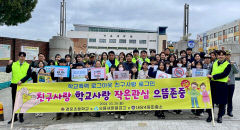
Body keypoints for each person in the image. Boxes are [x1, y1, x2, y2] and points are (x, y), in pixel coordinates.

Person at [6, 52, 32, 124]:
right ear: (18, 57)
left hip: (23, 85)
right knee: (14, 101)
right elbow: (7, 71)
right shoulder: (13, 64)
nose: (22, 57)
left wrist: (22, 81)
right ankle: (14, 117)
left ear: (25, 57)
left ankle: (21, 116)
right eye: (21, 56)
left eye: (23, 56)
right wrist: (8, 64)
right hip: (14, 85)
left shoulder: (27, 65)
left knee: (22, 101)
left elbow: (29, 75)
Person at [206, 50, 231, 123]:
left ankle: (220, 116)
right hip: (213, 84)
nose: (221, 56)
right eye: (219, 55)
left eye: (222, 55)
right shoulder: (214, 63)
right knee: (211, 100)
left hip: (222, 85)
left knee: (222, 101)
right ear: (217, 56)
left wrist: (213, 76)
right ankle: (210, 115)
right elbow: (210, 71)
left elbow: (224, 74)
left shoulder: (228, 64)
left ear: (225, 56)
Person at [225, 50, 239, 117]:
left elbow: (236, 72)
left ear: (230, 55)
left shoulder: (233, 62)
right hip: (224, 83)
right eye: (226, 55)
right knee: (224, 97)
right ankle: (222, 110)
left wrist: (233, 65)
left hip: (231, 83)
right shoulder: (223, 63)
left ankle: (229, 111)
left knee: (230, 98)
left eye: (228, 55)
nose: (227, 56)